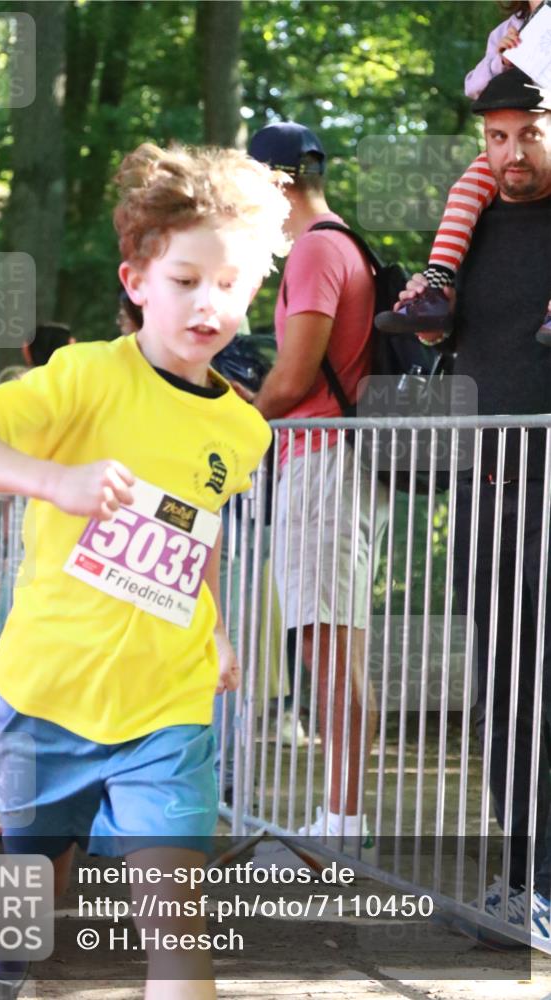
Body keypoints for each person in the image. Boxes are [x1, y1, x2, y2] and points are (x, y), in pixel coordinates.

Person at [0, 141, 289, 1000]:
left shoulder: (244, 432)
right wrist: (58, 481)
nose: (210, 303)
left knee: (176, 931)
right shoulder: (85, 375)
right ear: (136, 282)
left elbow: (191, 540)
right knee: (32, 896)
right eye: (185, 279)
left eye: (231, 284)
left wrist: (221, 631)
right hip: (49, 693)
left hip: (167, 707)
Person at [396, 68, 551, 944]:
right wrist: (424, 319)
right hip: (485, 481)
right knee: (501, 685)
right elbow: (440, 335)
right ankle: (520, 882)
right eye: (494, 138)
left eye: (526, 134)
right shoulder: (477, 219)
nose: (509, 155)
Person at [247, 122, 388, 851]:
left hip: (323, 455)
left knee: (326, 647)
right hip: (340, 457)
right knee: (332, 644)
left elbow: (293, 378)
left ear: (274, 182)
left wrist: (233, 417)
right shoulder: (344, 241)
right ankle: (341, 814)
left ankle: (341, 821)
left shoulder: (311, 250)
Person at [375, 0, 551, 340]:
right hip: (485, 379)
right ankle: (434, 291)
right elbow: (474, 88)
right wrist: (499, 60)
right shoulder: (507, 29)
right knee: (465, 190)